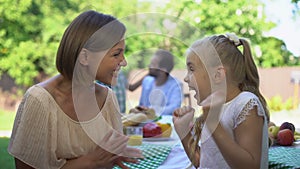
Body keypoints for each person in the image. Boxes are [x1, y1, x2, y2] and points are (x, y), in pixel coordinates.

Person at [8, 10, 142, 169]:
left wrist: (112, 157)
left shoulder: (108, 98)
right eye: (116, 54)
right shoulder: (39, 100)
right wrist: (90, 162)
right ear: (84, 57)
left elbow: (108, 158)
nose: (124, 62)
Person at [173, 33, 269, 169]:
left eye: (192, 69)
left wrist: (213, 123)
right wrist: (184, 132)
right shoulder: (217, 109)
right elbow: (206, 163)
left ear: (217, 75)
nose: (186, 78)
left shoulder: (245, 103)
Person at [128, 49, 183, 116]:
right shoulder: (147, 81)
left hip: (165, 124)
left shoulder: (176, 85)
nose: (149, 66)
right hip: (146, 124)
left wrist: (149, 110)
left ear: (163, 69)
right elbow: (141, 106)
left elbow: (174, 108)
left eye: (153, 64)